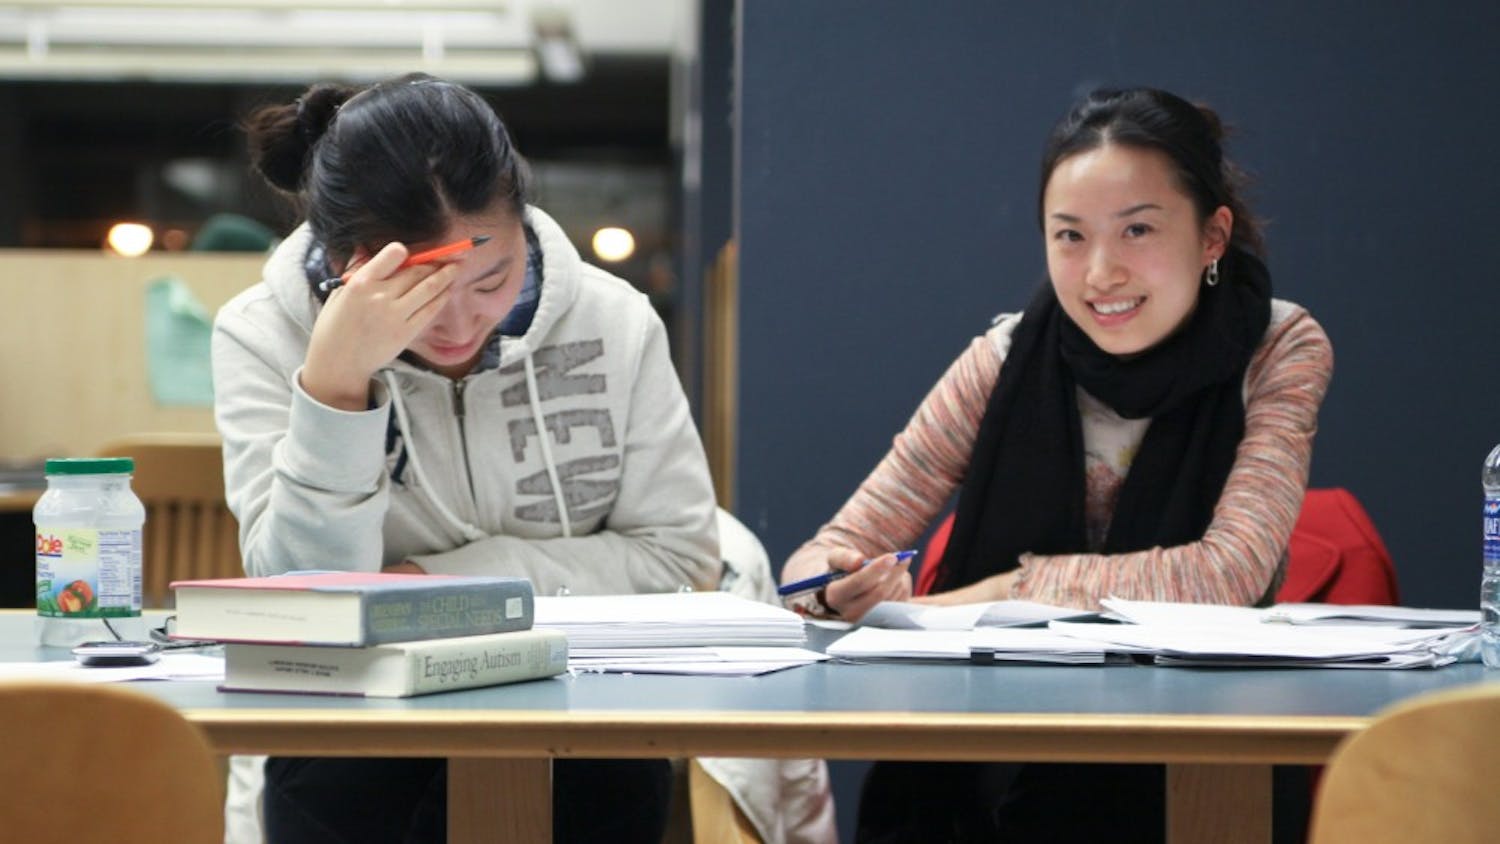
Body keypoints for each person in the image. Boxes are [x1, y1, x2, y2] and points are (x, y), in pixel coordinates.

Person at [780, 87, 1333, 842]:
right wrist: (829, 586)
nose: (1100, 272)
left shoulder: (1279, 348)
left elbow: (1224, 577)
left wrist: (1014, 589)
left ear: (1213, 236)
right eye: (1069, 236)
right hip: (985, 755)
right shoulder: (1006, 357)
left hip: (1194, 765)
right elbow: (823, 553)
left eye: (1137, 229)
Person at [213, 72, 720, 844]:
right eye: (421, 290)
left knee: (606, 775)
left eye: (491, 279)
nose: (460, 323)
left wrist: (437, 586)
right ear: (349, 262)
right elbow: (298, 602)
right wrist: (336, 385)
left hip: (582, 712)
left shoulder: (616, 323)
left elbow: (680, 556)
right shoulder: (262, 334)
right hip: (357, 731)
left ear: (523, 222)